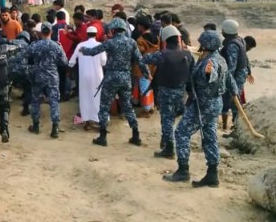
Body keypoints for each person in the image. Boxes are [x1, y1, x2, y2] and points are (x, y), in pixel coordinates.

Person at [164, 31, 229, 188]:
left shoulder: (211, 61)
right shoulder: (219, 58)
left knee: (181, 132)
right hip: (214, 103)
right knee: (209, 136)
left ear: (206, 44)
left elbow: (211, 74)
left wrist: (209, 73)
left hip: (203, 105)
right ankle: (212, 174)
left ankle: (183, 170)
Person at [80, 18, 149, 147]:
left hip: (111, 77)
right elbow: (140, 60)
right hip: (125, 78)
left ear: (113, 30)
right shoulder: (131, 42)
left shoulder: (110, 42)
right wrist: (147, 73)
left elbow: (93, 52)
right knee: (127, 106)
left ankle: (103, 136)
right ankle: (136, 135)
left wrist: (83, 49)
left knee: (104, 106)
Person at [142, 26, 194, 157]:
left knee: (167, 119)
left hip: (165, 92)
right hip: (181, 93)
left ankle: (169, 148)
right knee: (174, 118)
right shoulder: (188, 55)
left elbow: (145, 59)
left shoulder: (162, 55)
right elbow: (192, 74)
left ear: (164, 40)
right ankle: (169, 141)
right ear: (178, 39)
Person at [20, 22, 69, 138]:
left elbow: (24, 55)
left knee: (36, 101)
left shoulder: (35, 45)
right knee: (54, 101)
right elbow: (64, 62)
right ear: (51, 32)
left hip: (38, 76)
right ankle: (55, 128)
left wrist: (28, 69)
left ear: (41, 32)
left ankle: (36, 126)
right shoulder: (56, 46)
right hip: (52, 77)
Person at [68, 26, 106, 130]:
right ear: (96, 34)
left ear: (87, 34)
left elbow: (71, 62)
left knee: (85, 98)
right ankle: (98, 120)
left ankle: (87, 122)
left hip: (84, 76)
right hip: (97, 76)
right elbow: (104, 62)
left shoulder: (80, 45)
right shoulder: (100, 46)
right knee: (97, 98)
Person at [220, 19, 248, 136]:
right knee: (234, 102)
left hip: (235, 76)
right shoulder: (239, 39)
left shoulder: (232, 45)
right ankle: (236, 128)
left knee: (234, 102)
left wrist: (225, 79)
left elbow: (232, 65)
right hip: (240, 74)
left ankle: (237, 129)